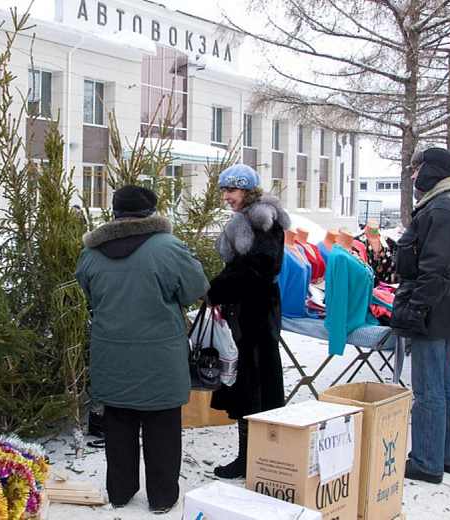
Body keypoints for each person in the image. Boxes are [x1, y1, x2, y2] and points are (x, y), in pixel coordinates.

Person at [74, 184, 208, 513]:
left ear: (115, 212)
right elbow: (194, 290)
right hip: (160, 357)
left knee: (118, 423)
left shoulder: (91, 252)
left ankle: (120, 492)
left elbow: (90, 294)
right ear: (150, 212)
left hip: (111, 354)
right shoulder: (169, 247)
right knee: (162, 426)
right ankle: (162, 498)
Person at [391, 147, 450, 484]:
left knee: (428, 388)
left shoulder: (440, 206)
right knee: (444, 383)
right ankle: (446, 456)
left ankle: (426, 460)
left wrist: (416, 309)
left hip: (433, 307)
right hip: (446, 304)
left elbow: (435, 267)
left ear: (431, 170)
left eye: (416, 169)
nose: (412, 176)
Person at [205, 164, 289, 479]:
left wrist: (214, 288)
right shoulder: (248, 221)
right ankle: (250, 456)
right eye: (224, 191)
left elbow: (259, 271)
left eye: (231, 191)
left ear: (247, 191)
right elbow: (243, 268)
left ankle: (252, 458)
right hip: (247, 315)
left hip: (256, 318)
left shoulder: (263, 224)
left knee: (255, 386)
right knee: (247, 384)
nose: (226, 197)